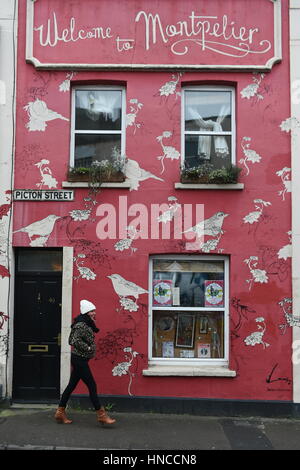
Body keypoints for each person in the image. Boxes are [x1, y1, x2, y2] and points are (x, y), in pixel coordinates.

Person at [54, 299, 116, 425]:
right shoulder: (80, 325)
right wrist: (87, 348)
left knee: (71, 386)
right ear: (86, 312)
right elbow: (73, 340)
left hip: (81, 360)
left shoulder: (86, 324)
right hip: (79, 360)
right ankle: (101, 414)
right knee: (92, 386)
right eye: (92, 311)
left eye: (94, 311)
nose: (94, 313)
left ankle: (60, 412)